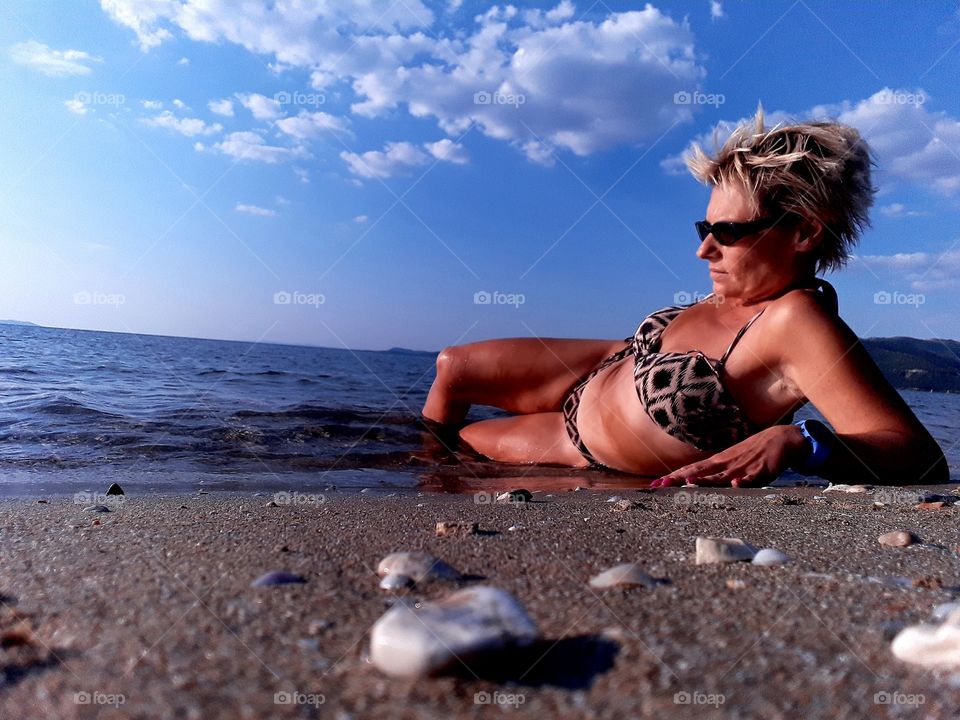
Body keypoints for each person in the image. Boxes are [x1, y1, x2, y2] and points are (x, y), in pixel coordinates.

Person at [421, 107, 949, 487]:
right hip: (596, 369)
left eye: (729, 232)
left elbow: (920, 459)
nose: (704, 250)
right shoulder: (742, 291)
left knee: (451, 448)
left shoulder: (796, 320)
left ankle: (423, 493)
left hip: (577, 445)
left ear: (805, 232)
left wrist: (800, 442)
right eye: (705, 227)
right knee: (453, 365)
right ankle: (419, 476)